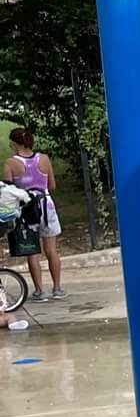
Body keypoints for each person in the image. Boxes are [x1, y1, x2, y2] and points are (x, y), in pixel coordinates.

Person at [4, 128, 63, 302]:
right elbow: (51, 184)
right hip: (47, 205)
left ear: (14, 143)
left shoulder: (10, 163)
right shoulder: (44, 159)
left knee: (32, 251)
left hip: (26, 209)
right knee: (51, 250)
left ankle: (39, 291)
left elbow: (7, 191)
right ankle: (57, 288)